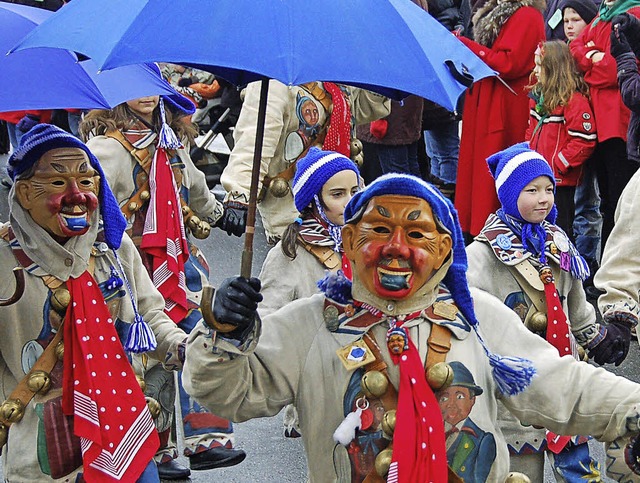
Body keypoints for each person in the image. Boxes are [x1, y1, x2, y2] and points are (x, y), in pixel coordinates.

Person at [182, 172, 640, 482]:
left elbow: (564, 385)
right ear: (348, 239)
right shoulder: (312, 322)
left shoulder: (476, 315)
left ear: (444, 248)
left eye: (417, 234)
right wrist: (224, 331)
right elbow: (227, 393)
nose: (396, 247)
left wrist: (633, 411)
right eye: (378, 230)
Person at [0, 124, 187, 482]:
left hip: (123, 429)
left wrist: (185, 347)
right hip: (44, 453)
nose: (76, 194)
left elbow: (150, 313)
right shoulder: (2, 258)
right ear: (24, 193)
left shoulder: (113, 249)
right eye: (58, 183)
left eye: (86, 182)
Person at [79, 88, 245, 479]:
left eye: (154, 90)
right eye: (136, 90)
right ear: (117, 98)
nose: (147, 97)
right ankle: (158, 449)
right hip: (132, 264)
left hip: (177, 262)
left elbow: (198, 192)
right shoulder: (104, 149)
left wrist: (226, 213)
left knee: (201, 331)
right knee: (145, 352)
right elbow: (90, 205)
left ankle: (207, 440)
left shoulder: (171, 144)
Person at [466, 143, 629, 481]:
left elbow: (575, 302)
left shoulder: (557, 242)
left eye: (549, 189)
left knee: (581, 471)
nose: (544, 198)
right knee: (521, 472)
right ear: (509, 195)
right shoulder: (481, 257)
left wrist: (596, 336)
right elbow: (471, 320)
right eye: (531, 190)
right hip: (518, 389)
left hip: (566, 375)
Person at [220, 79, 390, 244]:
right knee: (296, 267)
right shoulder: (273, 83)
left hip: (343, 210)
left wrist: (379, 78)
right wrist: (240, 194)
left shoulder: (334, 77)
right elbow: (254, 140)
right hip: (292, 213)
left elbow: (360, 109)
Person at [454, 0, 546, 238]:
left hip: (504, 105)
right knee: (478, 171)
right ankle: (475, 229)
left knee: (491, 172)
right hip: (487, 101)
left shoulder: (527, 16)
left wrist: (467, 46)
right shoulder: (501, 12)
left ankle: (492, 230)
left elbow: (508, 64)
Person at [569, 0, 640, 258]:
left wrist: (590, 61)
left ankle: (615, 268)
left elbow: (613, 71)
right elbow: (574, 48)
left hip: (619, 125)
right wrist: (592, 57)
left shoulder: (632, 14)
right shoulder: (602, 16)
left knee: (619, 204)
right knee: (606, 203)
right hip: (601, 123)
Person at [525, 40, 597, 238]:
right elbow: (530, 130)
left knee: (561, 228)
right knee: (540, 225)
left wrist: (560, 163)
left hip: (560, 181)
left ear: (554, 68)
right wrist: (529, 157)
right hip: (539, 175)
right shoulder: (537, 96)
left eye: (540, 65)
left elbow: (585, 139)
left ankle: (565, 267)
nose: (535, 70)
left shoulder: (574, 101)